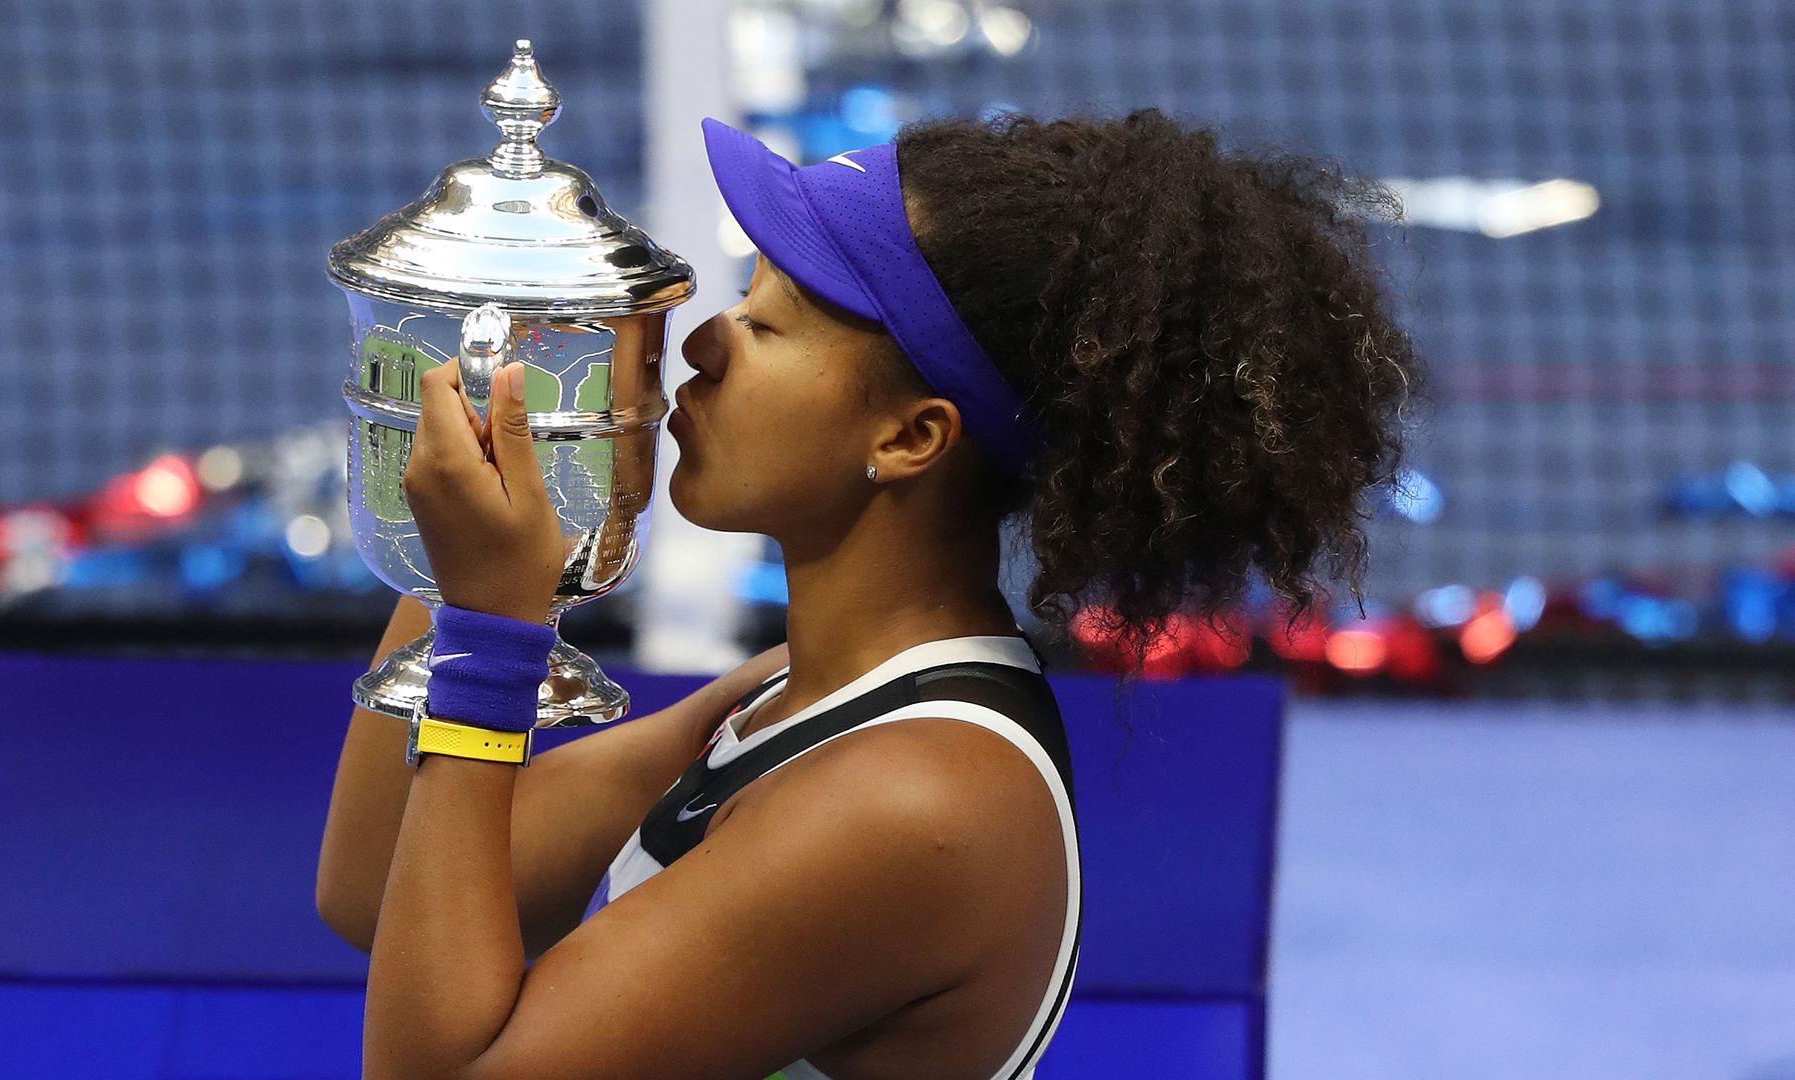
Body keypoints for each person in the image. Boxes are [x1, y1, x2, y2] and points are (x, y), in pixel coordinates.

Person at [317, 108, 1424, 1080]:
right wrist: (476, 497)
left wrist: (494, 627)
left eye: (765, 324)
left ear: (909, 437)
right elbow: (375, 888)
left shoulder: (913, 801)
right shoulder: (795, 701)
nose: (700, 344)